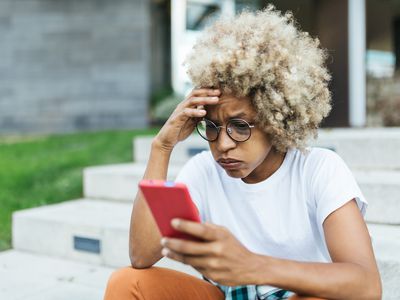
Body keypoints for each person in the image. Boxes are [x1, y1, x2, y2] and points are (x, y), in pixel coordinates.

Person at [104, 6, 382, 300]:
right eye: (211, 127)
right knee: (127, 283)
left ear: (276, 118)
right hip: (227, 296)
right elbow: (141, 256)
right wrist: (161, 148)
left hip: (298, 295)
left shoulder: (319, 169)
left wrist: (254, 266)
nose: (222, 144)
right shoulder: (203, 171)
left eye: (239, 126)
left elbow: (366, 285)